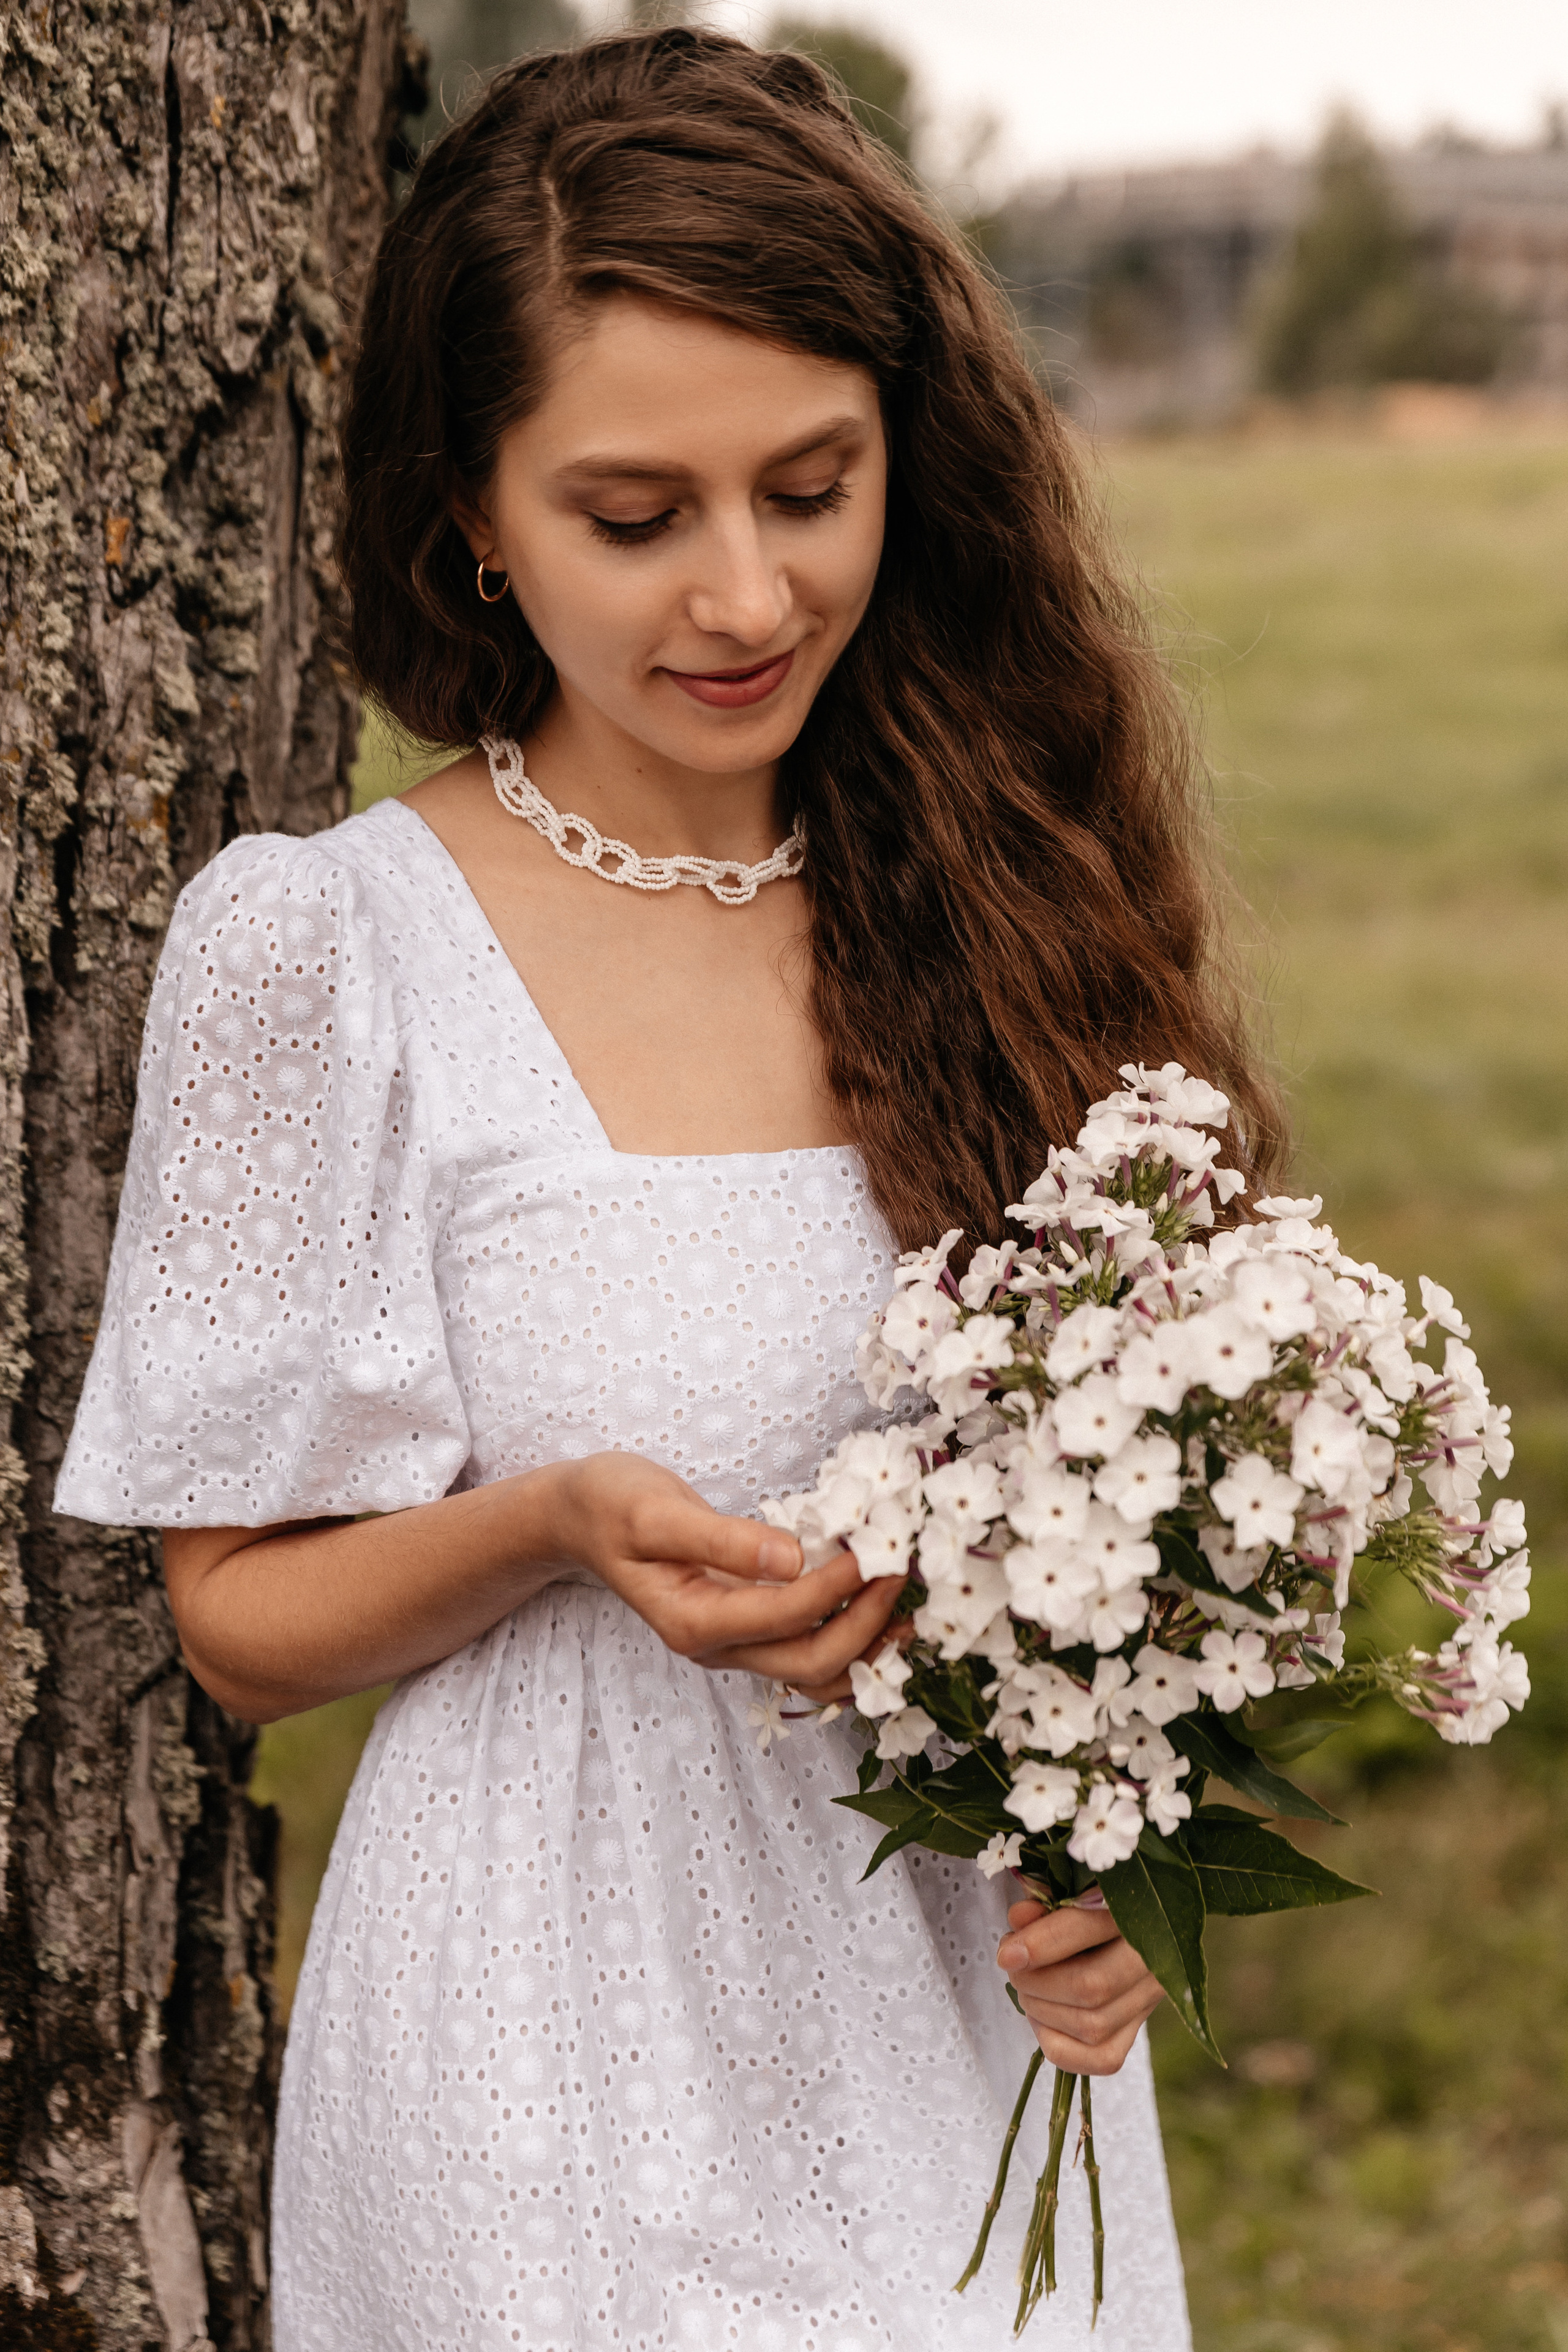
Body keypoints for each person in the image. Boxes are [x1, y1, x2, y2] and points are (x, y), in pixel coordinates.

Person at [56, 29, 1284, 2350]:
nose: (745, 595)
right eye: (638, 518)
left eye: (812, 488)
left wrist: (1110, 1860)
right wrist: (553, 1527)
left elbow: (1126, 1542)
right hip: (542, 2078)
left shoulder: (1010, 908)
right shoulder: (327, 943)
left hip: (962, 2049)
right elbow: (232, 1620)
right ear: (475, 526)